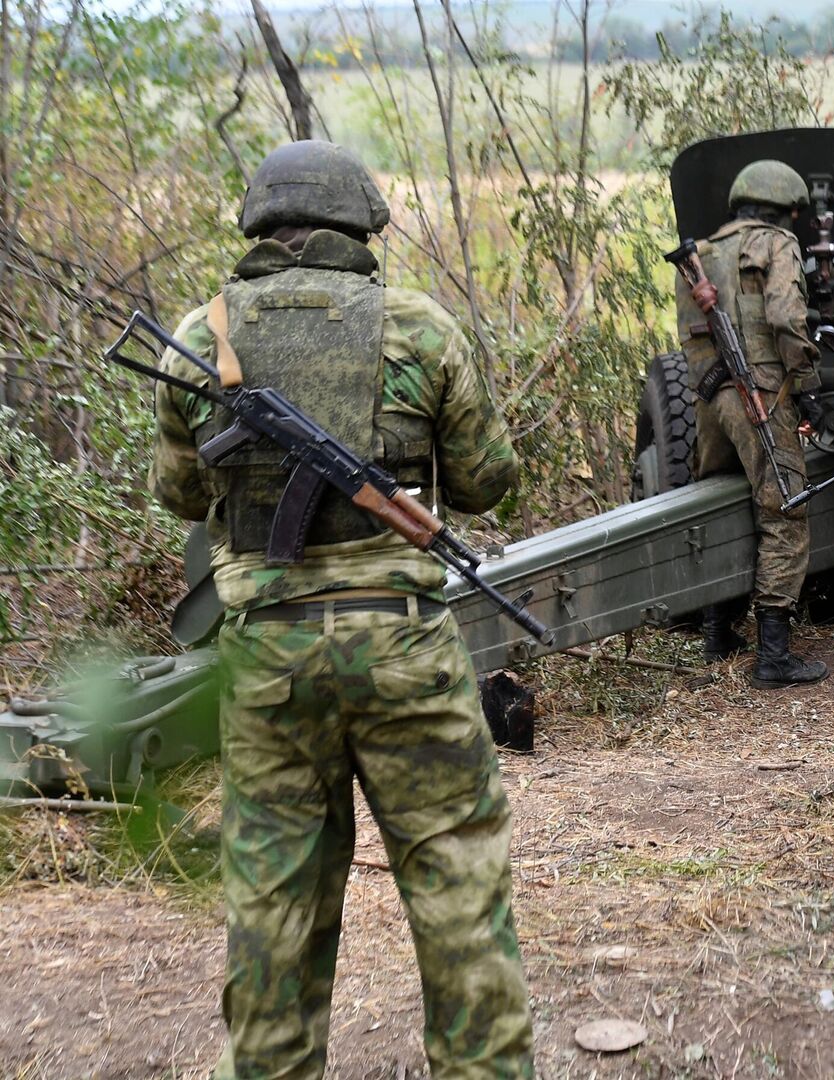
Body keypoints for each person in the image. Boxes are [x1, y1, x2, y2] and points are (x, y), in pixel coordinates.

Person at [148, 140, 534, 1079]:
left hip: (267, 662)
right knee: (458, 889)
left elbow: (181, 497)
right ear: (361, 224)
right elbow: (488, 483)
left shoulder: (203, 339)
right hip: (403, 648)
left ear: (261, 225)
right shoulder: (420, 329)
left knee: (273, 909)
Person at [676, 159, 830, 689]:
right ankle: (774, 656)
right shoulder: (774, 244)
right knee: (785, 507)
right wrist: (806, 389)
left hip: (711, 395)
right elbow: (787, 318)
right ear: (784, 208)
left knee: (717, 501)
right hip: (759, 393)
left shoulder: (703, 253)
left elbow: (692, 336)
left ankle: (718, 631)